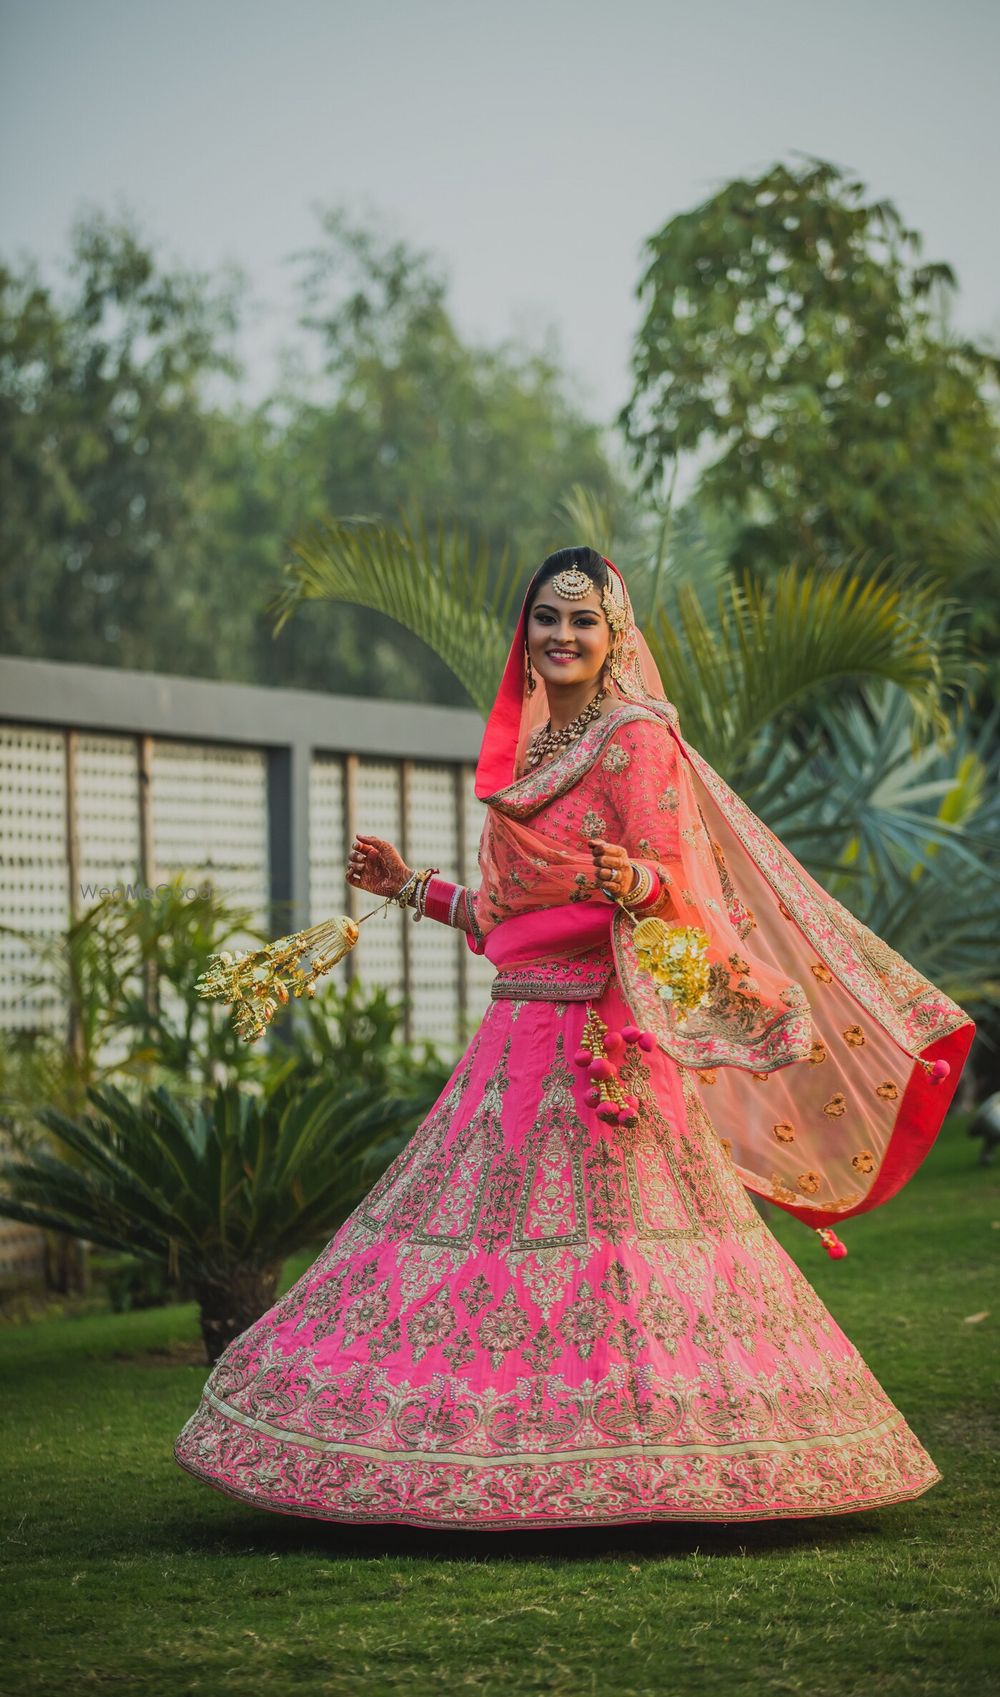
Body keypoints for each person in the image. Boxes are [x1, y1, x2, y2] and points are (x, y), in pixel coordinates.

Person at [174, 548, 975, 1528]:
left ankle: (656, 1463)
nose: (560, 636)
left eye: (581, 621)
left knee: (619, 1260)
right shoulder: (541, 750)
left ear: (613, 635)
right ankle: (497, 1455)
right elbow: (509, 917)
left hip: (602, 1044)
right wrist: (407, 886)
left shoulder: (635, 739)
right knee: (478, 1255)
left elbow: (671, 881)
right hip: (511, 1042)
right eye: (545, 619)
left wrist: (625, 882)